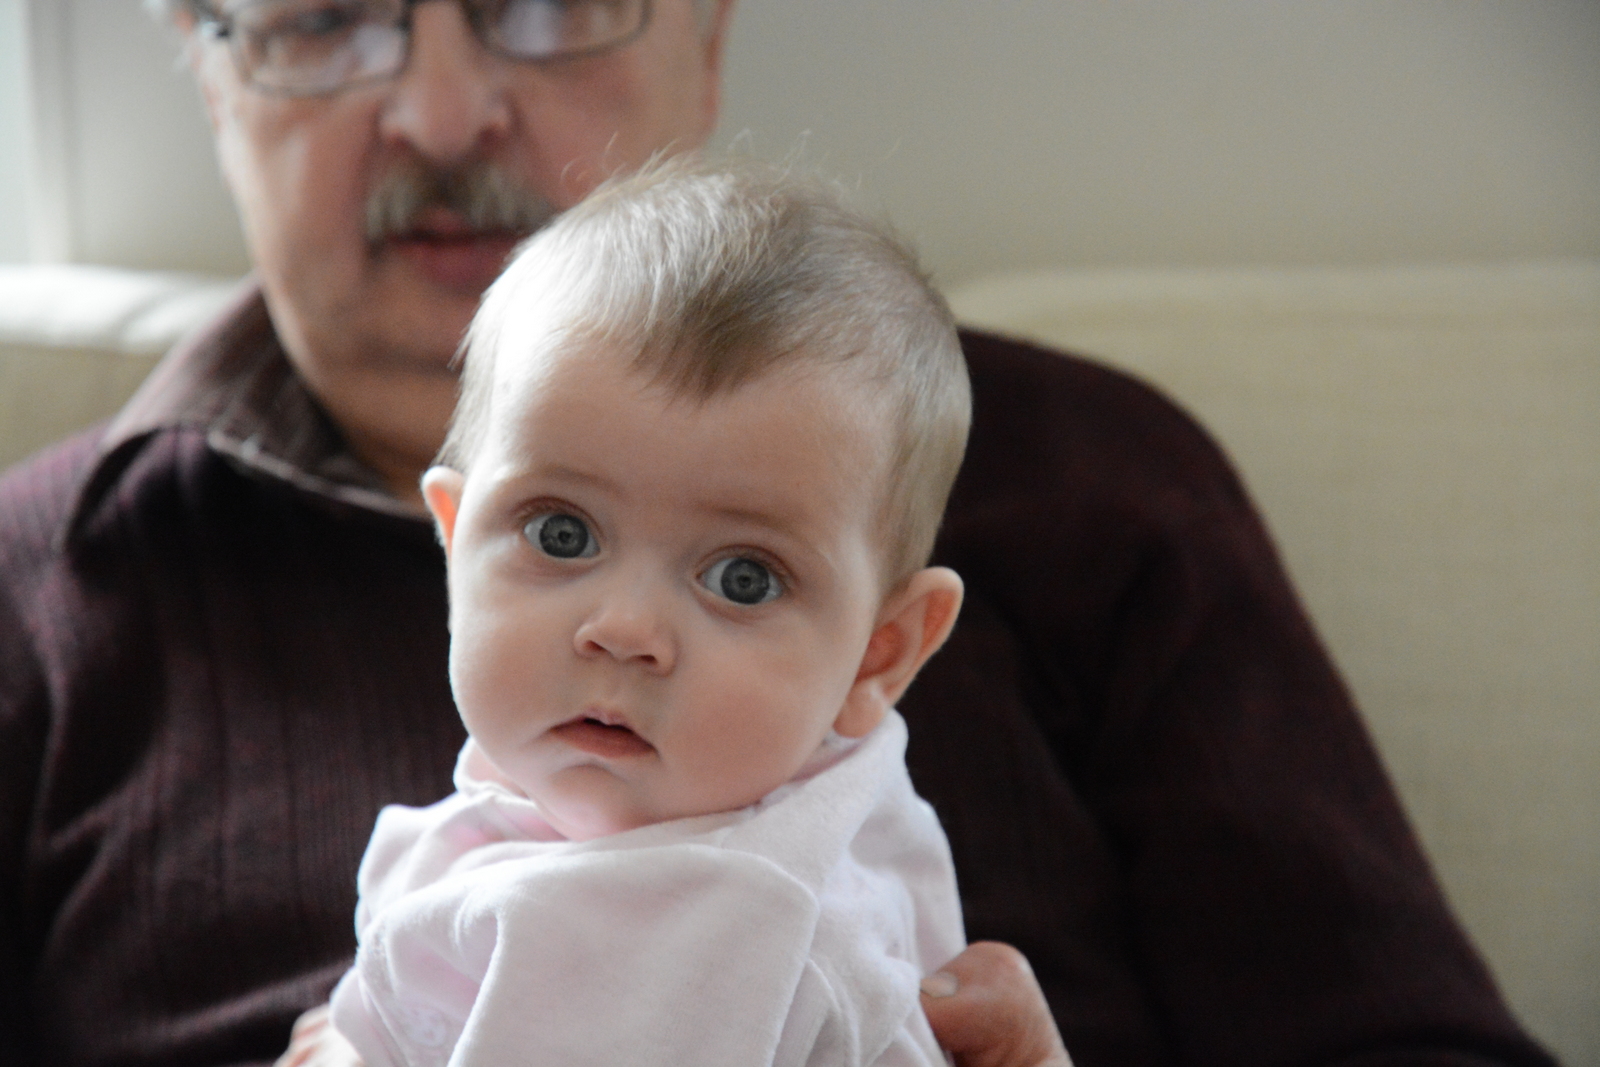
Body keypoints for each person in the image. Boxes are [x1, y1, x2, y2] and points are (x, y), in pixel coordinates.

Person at [0, 0, 1552, 1065]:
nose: (445, 109)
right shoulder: (44, 576)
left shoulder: (1095, 480)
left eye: (544, 2)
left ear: (709, 28)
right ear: (208, 69)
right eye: (325, 17)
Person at [327, 157, 972, 1065]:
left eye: (743, 579)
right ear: (455, 539)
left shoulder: (725, 938)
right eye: (560, 534)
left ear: (880, 653)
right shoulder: (695, 817)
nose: (624, 629)